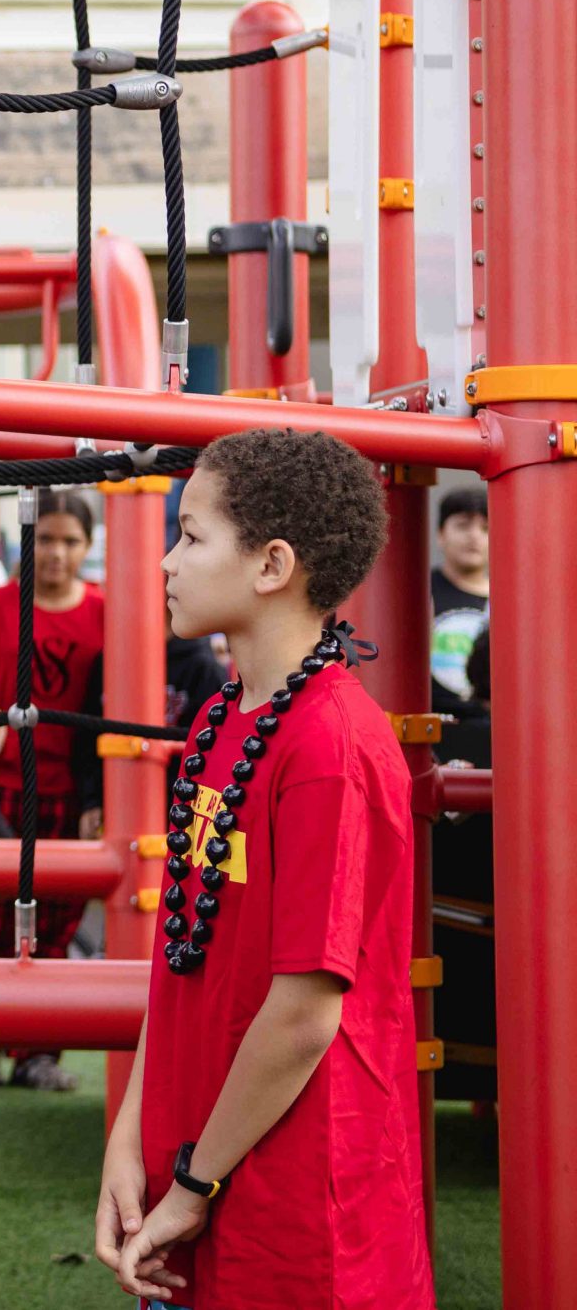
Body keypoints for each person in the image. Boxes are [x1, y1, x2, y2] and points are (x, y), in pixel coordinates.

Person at [97, 430, 432, 1309]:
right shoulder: (219, 717)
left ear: (272, 563)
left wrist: (193, 1185)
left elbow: (303, 1011)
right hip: (197, 1165)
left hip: (292, 1196)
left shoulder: (330, 743)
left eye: (193, 536)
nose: (168, 560)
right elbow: (182, 951)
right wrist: (129, 1137)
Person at [0, 489, 106, 1092]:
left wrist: (102, 798)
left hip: (67, 790)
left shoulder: (106, 611)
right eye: (45, 538)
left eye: (70, 541)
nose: (55, 552)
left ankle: (39, 1050)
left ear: (88, 546)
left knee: (57, 924)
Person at [428, 484, 488, 721]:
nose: (474, 536)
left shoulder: (507, 598)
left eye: (485, 528)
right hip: (431, 724)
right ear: (440, 534)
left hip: (488, 727)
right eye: (463, 526)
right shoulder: (418, 592)